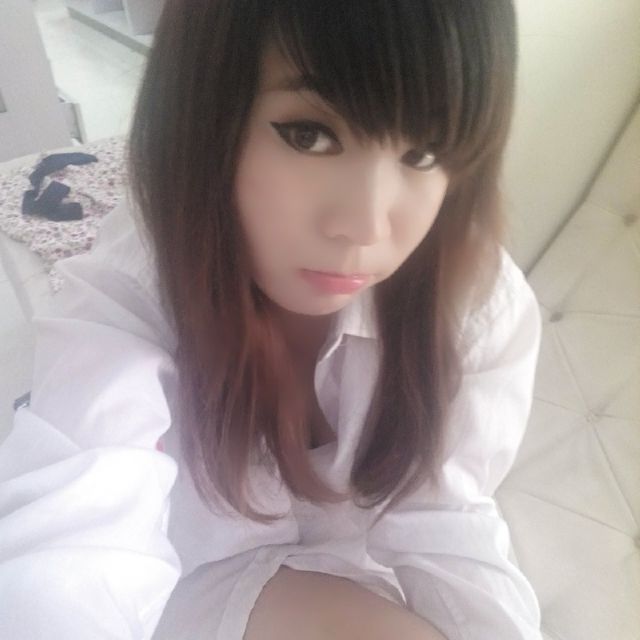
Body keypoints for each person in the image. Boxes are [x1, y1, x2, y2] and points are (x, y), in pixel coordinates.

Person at [0, 1, 545, 639]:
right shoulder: (136, 282)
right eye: (310, 134)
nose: (366, 226)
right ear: (205, 117)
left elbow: (444, 515)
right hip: (179, 591)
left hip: (355, 585)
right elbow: (77, 532)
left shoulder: (476, 306)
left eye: (424, 153)